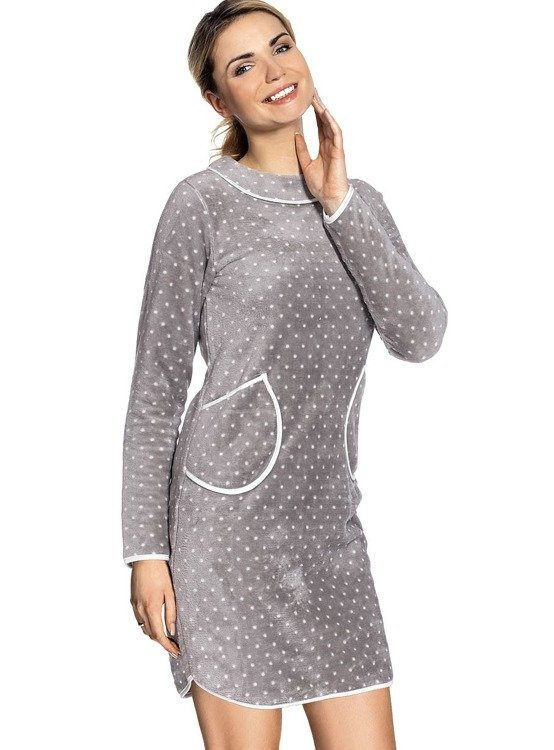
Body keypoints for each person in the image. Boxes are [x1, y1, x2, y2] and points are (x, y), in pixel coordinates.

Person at [121, 1, 448, 747]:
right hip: (224, 535)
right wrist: (147, 554)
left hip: (330, 532)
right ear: (219, 101)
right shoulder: (200, 204)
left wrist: (339, 204)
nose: (274, 72)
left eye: (281, 46)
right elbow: (156, 391)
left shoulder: (360, 204)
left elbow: (421, 336)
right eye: (244, 66)